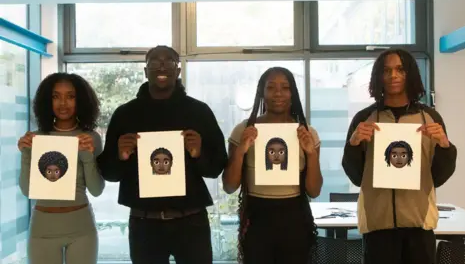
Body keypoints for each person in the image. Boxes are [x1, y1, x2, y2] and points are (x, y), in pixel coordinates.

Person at [96, 45, 228, 264]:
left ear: (178, 70)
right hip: (144, 223)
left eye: (169, 61)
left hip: (191, 221)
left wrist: (198, 153)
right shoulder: (125, 114)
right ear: (145, 71)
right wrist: (120, 156)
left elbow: (216, 168)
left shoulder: (199, 111)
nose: (162, 65)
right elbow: (109, 173)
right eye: (155, 61)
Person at [341, 48, 457, 264]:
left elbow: (438, 177)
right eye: (386, 70)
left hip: (419, 226)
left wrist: (444, 146)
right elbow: (356, 176)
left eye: (400, 69)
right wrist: (354, 144)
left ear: (409, 74)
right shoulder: (365, 118)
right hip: (378, 227)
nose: (393, 75)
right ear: (379, 77)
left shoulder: (430, 117)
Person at [222, 67, 323, 264]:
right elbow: (229, 186)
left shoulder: (307, 133)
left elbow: (314, 190)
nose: (278, 93)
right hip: (257, 218)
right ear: (262, 92)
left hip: (295, 217)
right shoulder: (243, 130)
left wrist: (310, 153)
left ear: (292, 93)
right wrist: (241, 149)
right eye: (271, 87)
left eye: (285, 87)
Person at [17, 73, 104, 264]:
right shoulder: (37, 138)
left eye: (70, 96)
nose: (63, 103)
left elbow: (96, 190)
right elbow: (26, 190)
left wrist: (87, 158)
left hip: (82, 229)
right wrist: (25, 155)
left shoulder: (91, 138)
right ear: (47, 101)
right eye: (56, 96)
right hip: (42, 230)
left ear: (80, 100)